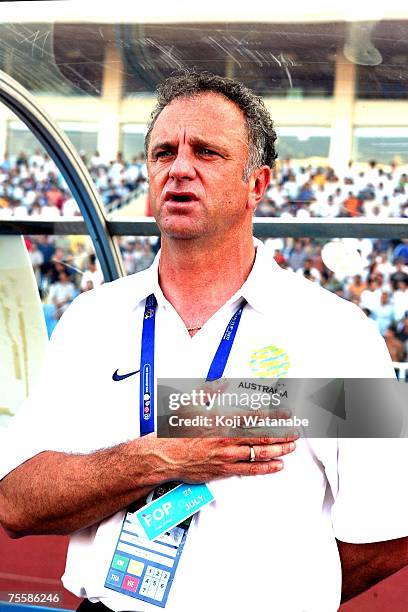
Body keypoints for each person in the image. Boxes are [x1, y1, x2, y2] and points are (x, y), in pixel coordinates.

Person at [0, 71, 407, 612]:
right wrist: (163, 456)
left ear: (256, 184)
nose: (179, 169)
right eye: (164, 152)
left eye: (207, 153)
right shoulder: (91, 318)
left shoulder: (339, 333)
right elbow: (17, 501)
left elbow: (392, 526)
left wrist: (288, 594)